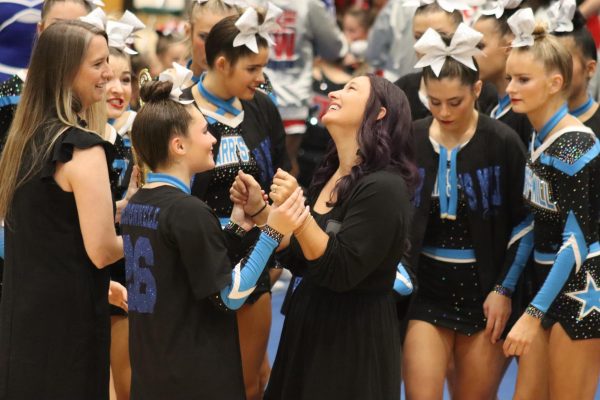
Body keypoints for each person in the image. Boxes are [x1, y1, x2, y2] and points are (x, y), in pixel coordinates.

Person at [232, 74, 419, 400]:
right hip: (310, 324)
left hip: (351, 342)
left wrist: (297, 213)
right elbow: (302, 259)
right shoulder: (331, 173)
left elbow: (342, 268)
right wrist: (262, 212)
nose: (333, 92)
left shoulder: (384, 187)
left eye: (350, 89)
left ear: (379, 113)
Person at [121, 75, 307, 400]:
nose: (214, 140)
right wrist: (272, 231)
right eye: (205, 131)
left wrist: (237, 226)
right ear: (178, 146)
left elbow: (191, 266)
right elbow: (228, 297)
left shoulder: (138, 203)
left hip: (154, 368)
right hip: (195, 374)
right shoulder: (189, 210)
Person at [402, 24, 530, 400]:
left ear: (477, 90)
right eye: (434, 102)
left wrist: (504, 289)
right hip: (425, 290)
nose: (443, 112)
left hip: (485, 289)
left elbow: (525, 222)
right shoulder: (410, 138)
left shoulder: (502, 142)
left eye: (455, 102)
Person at [0, 20, 121, 398]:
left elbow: (53, 223)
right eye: (98, 64)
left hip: (23, 321)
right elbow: (101, 251)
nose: (108, 74)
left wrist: (119, 209)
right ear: (67, 71)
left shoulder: (22, 141)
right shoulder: (81, 147)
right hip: (69, 325)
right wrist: (148, 227)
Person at [181, 7, 288, 399]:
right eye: (252, 69)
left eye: (264, 67)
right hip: (196, 259)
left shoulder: (262, 106)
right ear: (222, 63)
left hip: (252, 257)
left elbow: (282, 178)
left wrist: (273, 254)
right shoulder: (179, 111)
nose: (261, 78)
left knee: (247, 383)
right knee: (197, 383)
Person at [503, 9, 600, 399]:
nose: (511, 87)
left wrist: (533, 312)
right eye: (510, 77)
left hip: (582, 283)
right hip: (548, 279)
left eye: (523, 79)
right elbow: (536, 221)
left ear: (555, 82)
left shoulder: (577, 143)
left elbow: (577, 238)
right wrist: (506, 288)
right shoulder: (538, 136)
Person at [265, 0, 346, 177]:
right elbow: (335, 49)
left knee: (260, 165)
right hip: (292, 99)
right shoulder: (310, 4)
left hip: (256, 92)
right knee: (285, 168)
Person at [0, 0, 93, 144]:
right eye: (58, 26)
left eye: (78, 28)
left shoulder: (98, 90)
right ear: (41, 28)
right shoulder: (9, 94)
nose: (67, 37)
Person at [394, 0, 498, 121]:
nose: (428, 44)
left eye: (439, 35)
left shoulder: (485, 93)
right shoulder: (401, 91)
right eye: (419, 37)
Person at [474, 0, 533, 146]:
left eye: (479, 46)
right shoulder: (491, 107)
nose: (471, 55)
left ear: (509, 45)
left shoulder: (527, 112)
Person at [552, 6, 600, 136]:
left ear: (590, 69)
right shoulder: (539, 120)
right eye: (551, 62)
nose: (555, 71)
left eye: (564, 61)